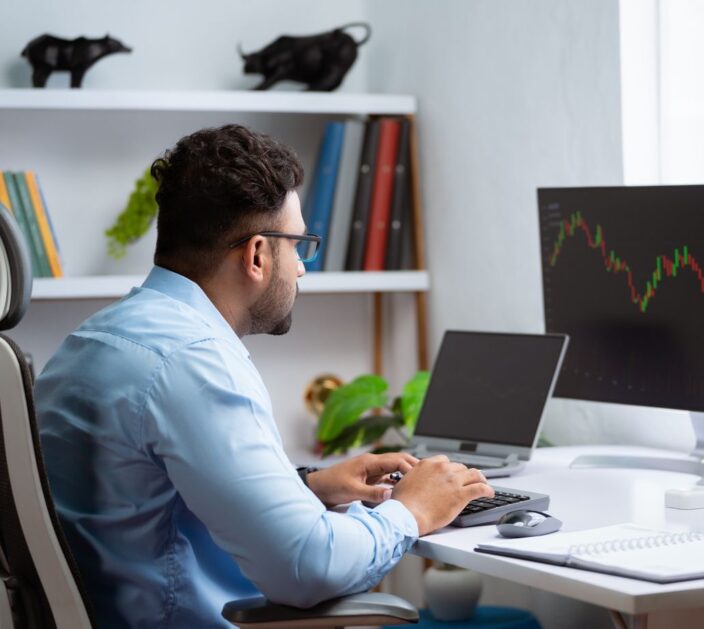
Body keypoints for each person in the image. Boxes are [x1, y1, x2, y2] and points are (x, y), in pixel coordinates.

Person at [34, 124, 494, 628]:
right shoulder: (194, 361)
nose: (301, 270)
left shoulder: (96, 339)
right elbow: (307, 569)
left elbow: (147, 501)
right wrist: (413, 510)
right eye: (299, 246)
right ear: (257, 255)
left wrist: (309, 487)